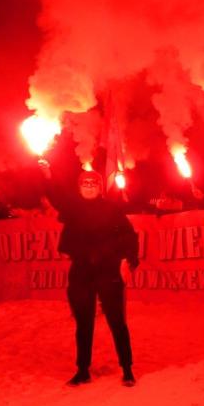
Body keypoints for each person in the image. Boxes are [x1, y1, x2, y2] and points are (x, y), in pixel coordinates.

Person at [44, 165, 139, 387]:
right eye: (85, 184)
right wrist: (48, 176)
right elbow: (57, 197)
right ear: (79, 188)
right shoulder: (73, 208)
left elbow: (128, 235)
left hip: (108, 270)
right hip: (82, 270)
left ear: (100, 187)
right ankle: (83, 370)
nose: (89, 187)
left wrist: (129, 259)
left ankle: (127, 368)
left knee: (117, 320)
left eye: (93, 184)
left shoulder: (112, 209)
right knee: (83, 322)